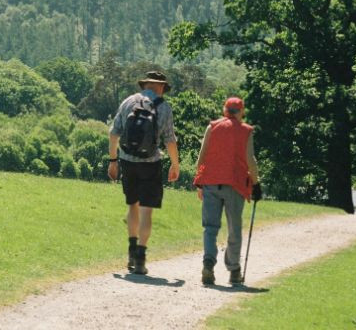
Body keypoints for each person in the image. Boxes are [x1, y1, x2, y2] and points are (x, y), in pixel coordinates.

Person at [108, 71, 180, 275]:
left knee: (133, 205)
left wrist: (113, 161)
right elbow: (170, 141)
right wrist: (175, 166)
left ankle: (131, 251)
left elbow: (113, 134)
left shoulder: (129, 101)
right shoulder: (164, 108)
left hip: (128, 160)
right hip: (151, 163)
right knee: (147, 210)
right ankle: (140, 257)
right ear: (161, 88)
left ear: (146, 85)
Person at [193, 96, 262, 285]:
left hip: (211, 183)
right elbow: (251, 161)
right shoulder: (246, 131)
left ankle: (208, 264)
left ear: (225, 110)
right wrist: (256, 184)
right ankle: (234, 271)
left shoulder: (212, 127)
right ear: (241, 111)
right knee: (234, 228)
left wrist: (200, 183)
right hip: (234, 185)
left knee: (210, 228)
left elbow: (202, 157)